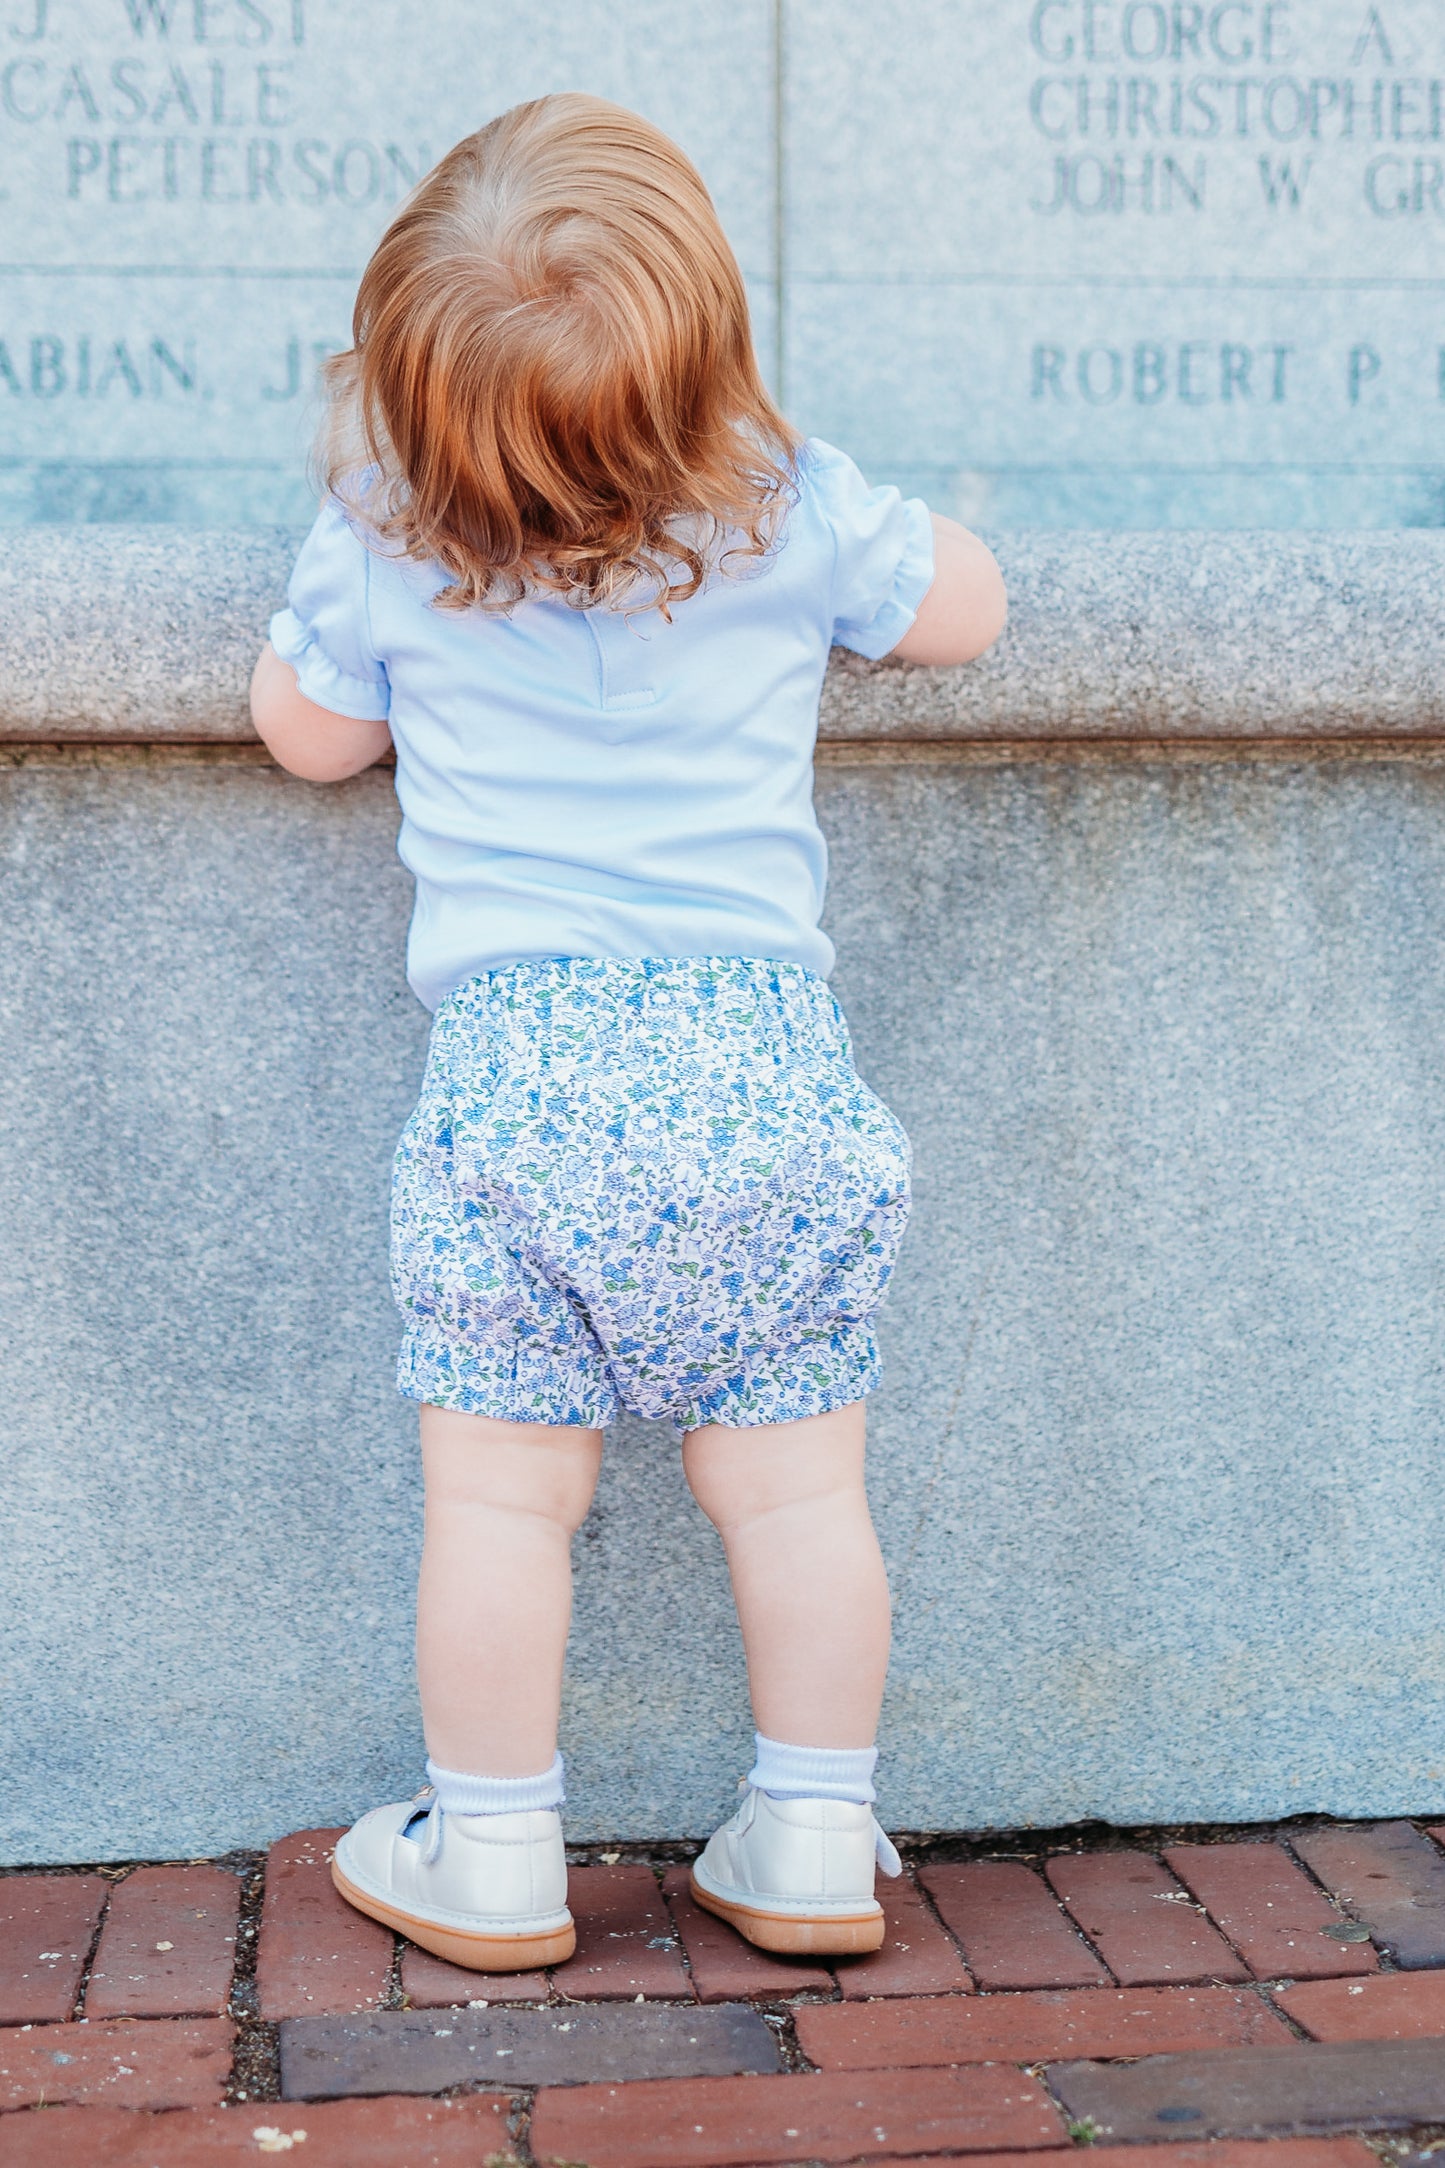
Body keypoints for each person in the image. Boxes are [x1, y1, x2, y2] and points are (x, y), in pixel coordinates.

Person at [250, 92, 1006, 1974]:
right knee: (801, 1488)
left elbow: (308, 735)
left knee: (503, 1503)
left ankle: (494, 1856)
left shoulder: (386, 533)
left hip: (524, 1097)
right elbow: (970, 615)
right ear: (708, 350)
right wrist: (823, 499)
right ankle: (816, 1834)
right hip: (773, 1086)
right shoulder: (789, 504)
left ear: (412, 381)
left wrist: (352, 558)